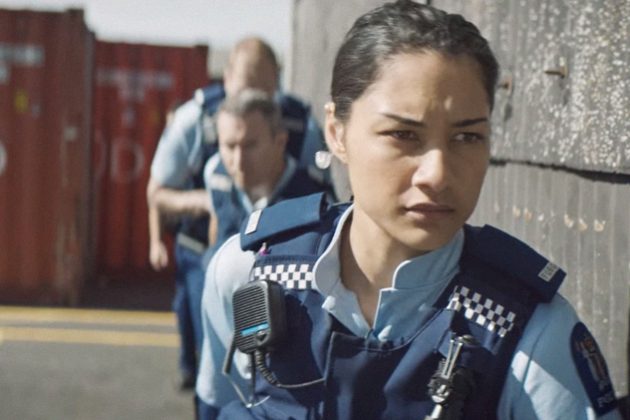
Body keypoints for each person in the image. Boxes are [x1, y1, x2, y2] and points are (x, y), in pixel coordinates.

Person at [195, 1, 623, 419]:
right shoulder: (249, 274)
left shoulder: (532, 336)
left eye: (467, 137)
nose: (437, 174)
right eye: (403, 134)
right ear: (337, 133)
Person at [146, 36, 329, 390]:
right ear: (227, 79)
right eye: (245, 89)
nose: (253, 102)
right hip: (206, 251)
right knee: (215, 365)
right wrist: (211, 200)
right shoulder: (194, 120)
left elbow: (321, 197)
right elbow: (156, 193)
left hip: (280, 263)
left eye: (265, 92)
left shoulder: (300, 125)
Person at [202, 88, 330, 265]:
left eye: (250, 146)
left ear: (280, 142)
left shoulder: (314, 200)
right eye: (230, 146)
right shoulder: (215, 176)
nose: (239, 161)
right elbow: (216, 235)